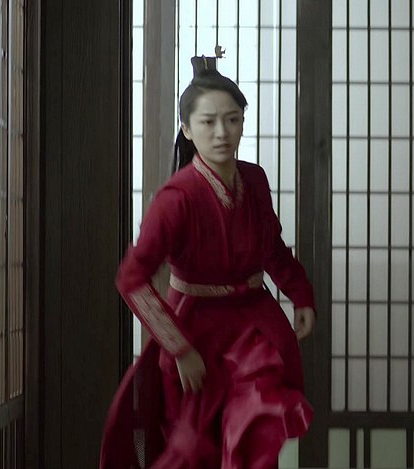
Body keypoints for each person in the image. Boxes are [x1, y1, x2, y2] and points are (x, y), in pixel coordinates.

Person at [100, 55, 316, 469]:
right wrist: (179, 347)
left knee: (255, 431)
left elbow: (271, 247)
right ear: (187, 128)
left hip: (254, 328)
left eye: (232, 120)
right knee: (192, 448)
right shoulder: (176, 197)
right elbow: (132, 278)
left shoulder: (254, 180)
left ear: (242, 122)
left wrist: (300, 294)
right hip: (195, 328)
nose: (222, 132)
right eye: (208, 122)